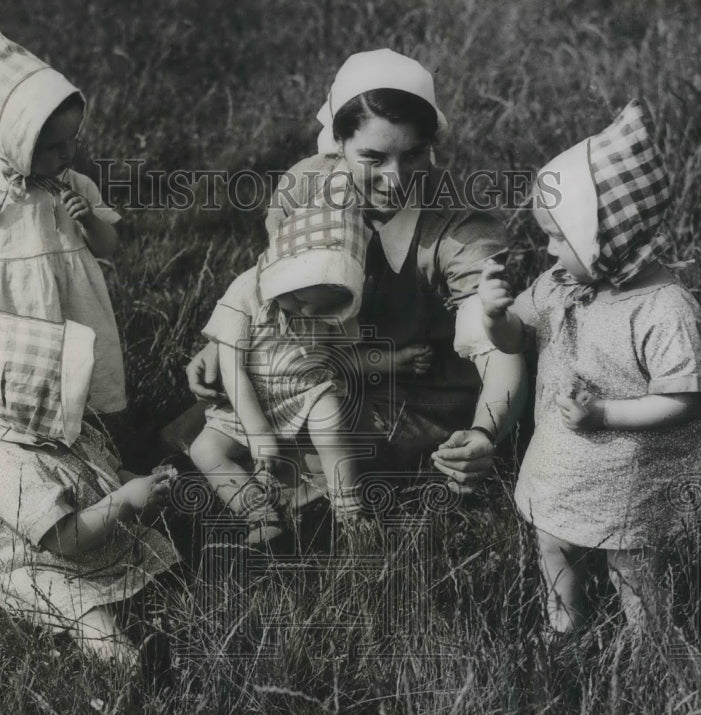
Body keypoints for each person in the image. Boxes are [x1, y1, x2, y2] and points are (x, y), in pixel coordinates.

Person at [0, 26, 179, 665]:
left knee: (83, 392)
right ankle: (39, 462)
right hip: (14, 329)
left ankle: (89, 451)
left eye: (73, 141)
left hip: (73, 313)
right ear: (13, 141)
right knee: (25, 400)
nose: (67, 155)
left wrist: (85, 218)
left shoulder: (76, 186)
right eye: (52, 146)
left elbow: (111, 248)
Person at [185, 49, 527, 496]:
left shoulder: (460, 232)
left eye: (413, 155)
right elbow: (273, 277)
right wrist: (228, 338)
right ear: (339, 143)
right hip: (314, 366)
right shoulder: (306, 188)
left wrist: (485, 433)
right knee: (206, 430)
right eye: (373, 157)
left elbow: (501, 350)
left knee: (327, 456)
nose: (396, 178)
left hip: (412, 389)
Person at [473, 100, 701, 635]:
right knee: (553, 538)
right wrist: (493, 314)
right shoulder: (559, 284)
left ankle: (649, 647)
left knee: (631, 561)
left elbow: (684, 398)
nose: (548, 250)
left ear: (609, 237)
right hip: (568, 458)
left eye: (558, 235)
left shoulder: (661, 309)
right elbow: (516, 339)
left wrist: (603, 415)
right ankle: (565, 624)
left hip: (631, 471)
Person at [189, 188, 369, 541]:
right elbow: (233, 369)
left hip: (306, 389)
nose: (308, 313)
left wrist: (395, 363)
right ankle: (258, 513)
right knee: (204, 450)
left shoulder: (324, 300)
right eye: (301, 301)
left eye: (320, 308)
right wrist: (258, 434)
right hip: (248, 397)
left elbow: (344, 357)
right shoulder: (244, 293)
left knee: (331, 424)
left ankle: (351, 512)